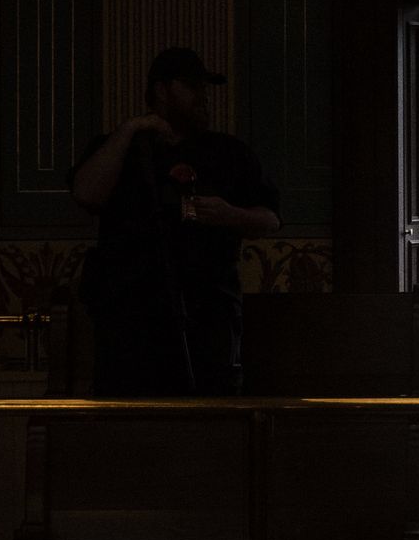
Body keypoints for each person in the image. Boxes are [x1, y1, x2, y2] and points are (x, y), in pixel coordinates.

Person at [70, 47, 280, 396]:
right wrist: (132, 129)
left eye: (204, 87)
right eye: (192, 86)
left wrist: (231, 215)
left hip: (207, 317)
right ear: (161, 90)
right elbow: (86, 194)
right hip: (130, 323)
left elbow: (270, 219)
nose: (203, 97)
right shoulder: (119, 149)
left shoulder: (228, 153)